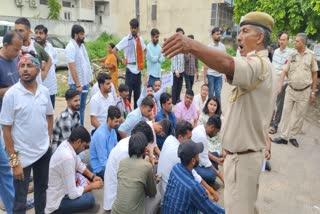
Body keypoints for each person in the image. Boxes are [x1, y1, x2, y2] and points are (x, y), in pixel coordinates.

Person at [162, 11, 277, 214]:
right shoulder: (255, 64)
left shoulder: (259, 65)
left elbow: (226, 64)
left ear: (259, 37)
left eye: (245, 31)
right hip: (238, 156)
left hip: (244, 160)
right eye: (239, 31)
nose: (239, 37)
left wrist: (191, 45)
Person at [0, 53, 54, 213]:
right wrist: (14, 162)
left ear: (38, 70)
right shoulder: (11, 95)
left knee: (41, 194)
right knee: (20, 202)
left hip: (43, 152)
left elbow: (50, 116)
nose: (25, 69)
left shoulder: (44, 92)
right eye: (22, 66)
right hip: (21, 157)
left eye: (29, 65)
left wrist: (48, 139)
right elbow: (6, 130)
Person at [273, 33, 318, 147]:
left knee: (299, 116)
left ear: (303, 42)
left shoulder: (311, 55)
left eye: (297, 41)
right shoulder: (292, 55)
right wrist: (280, 85)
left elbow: (314, 73)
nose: (295, 43)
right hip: (291, 89)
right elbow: (284, 71)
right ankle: (283, 137)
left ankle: (292, 136)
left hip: (304, 91)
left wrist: (312, 92)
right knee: (286, 113)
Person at [45, 126, 104, 214]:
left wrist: (93, 177)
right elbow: (72, 194)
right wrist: (92, 186)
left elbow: (79, 164)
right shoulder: (67, 158)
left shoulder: (67, 144)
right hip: (58, 203)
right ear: (78, 142)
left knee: (88, 169)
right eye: (84, 146)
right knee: (90, 199)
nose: (84, 149)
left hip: (64, 190)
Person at [157, 120, 219, 202]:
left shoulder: (169, 138)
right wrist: (210, 191)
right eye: (189, 138)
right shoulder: (179, 154)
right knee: (201, 192)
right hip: (170, 195)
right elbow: (194, 175)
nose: (191, 140)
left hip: (164, 188)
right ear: (180, 137)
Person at [103, 121, 158, 212]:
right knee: (154, 197)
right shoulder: (126, 152)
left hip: (119, 194)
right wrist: (149, 164)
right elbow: (151, 191)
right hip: (116, 198)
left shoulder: (128, 143)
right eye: (146, 145)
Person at [162, 140, 225, 214]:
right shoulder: (193, 187)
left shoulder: (175, 168)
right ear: (193, 161)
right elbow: (213, 210)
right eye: (198, 155)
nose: (199, 157)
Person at [113, 18, 146, 109]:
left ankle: (136, 115)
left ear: (138, 28)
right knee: (127, 95)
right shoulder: (126, 39)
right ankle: (126, 113)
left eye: (135, 28)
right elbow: (114, 50)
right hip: (130, 70)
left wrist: (142, 60)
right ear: (130, 28)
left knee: (138, 96)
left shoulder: (140, 40)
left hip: (138, 70)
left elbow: (145, 49)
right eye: (132, 28)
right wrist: (122, 60)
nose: (133, 30)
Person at [65, 24, 93, 126]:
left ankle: (80, 128)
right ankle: (74, 130)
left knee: (82, 108)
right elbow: (72, 67)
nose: (83, 36)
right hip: (76, 85)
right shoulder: (70, 47)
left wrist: (90, 80)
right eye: (81, 34)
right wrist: (78, 85)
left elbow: (87, 63)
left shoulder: (82, 47)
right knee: (74, 109)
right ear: (75, 35)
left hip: (84, 83)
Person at [269, 31, 293, 134]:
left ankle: (275, 125)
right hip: (273, 81)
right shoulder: (276, 52)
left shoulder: (290, 53)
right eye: (281, 39)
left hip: (283, 83)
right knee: (270, 103)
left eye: (284, 40)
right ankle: (269, 120)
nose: (282, 41)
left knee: (279, 105)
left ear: (287, 41)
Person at [15, 17, 52, 83]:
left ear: (29, 31)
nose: (18, 33)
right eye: (16, 30)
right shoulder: (14, 47)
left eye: (21, 30)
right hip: (20, 89)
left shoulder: (36, 46)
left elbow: (49, 59)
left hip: (36, 88)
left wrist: (44, 75)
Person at [90, 106, 121, 179]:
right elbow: (103, 162)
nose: (118, 124)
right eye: (116, 121)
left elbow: (116, 150)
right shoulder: (101, 135)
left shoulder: (113, 130)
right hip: (99, 169)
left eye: (118, 121)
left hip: (109, 164)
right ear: (109, 119)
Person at [192, 115, 224, 184]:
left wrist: (217, 160)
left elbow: (204, 152)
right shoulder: (201, 136)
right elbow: (204, 160)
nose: (216, 134)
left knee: (215, 154)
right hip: (193, 165)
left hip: (199, 158)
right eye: (216, 132)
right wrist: (219, 174)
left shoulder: (200, 128)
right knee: (212, 175)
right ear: (212, 127)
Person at [34, 24, 58, 108]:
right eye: (36, 33)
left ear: (46, 35)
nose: (38, 35)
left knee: (50, 113)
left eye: (41, 33)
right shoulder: (32, 48)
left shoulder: (50, 47)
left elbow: (54, 63)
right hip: (36, 88)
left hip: (50, 87)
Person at [203, 27, 226, 102]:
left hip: (219, 76)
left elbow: (224, 61)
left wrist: (225, 74)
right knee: (210, 94)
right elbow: (206, 62)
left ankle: (218, 111)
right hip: (210, 75)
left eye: (219, 34)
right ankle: (209, 111)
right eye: (217, 34)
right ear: (213, 35)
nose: (219, 36)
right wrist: (205, 77)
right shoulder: (209, 47)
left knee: (218, 94)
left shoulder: (222, 47)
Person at [171, 27, 185, 105]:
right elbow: (173, 59)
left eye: (182, 34)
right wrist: (176, 70)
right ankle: (173, 102)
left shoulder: (183, 46)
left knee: (179, 87)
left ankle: (177, 100)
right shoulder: (174, 45)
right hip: (175, 71)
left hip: (181, 70)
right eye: (179, 34)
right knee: (175, 87)